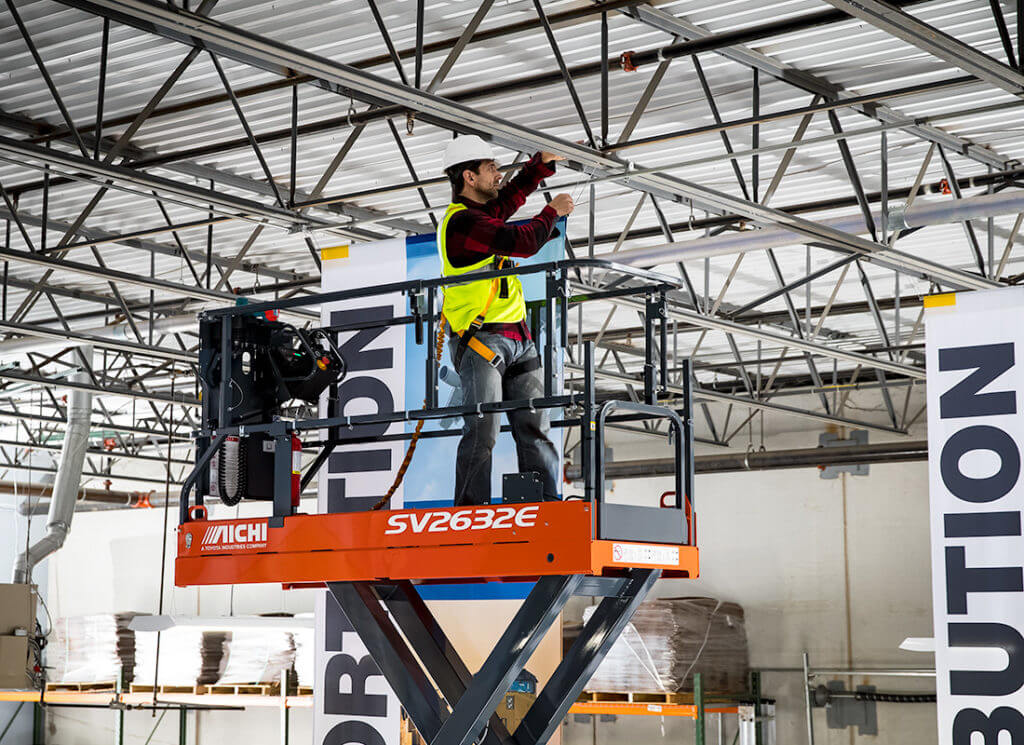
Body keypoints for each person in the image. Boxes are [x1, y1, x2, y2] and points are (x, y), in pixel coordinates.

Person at [438, 135, 575, 506]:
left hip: (519, 337)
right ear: (469, 176)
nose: (499, 175)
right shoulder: (462, 224)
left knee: (535, 429)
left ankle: (544, 507)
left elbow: (509, 198)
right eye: (492, 169)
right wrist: (552, 212)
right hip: (482, 340)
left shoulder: (480, 215)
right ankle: (469, 514)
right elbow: (524, 242)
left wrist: (539, 166)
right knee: (483, 431)